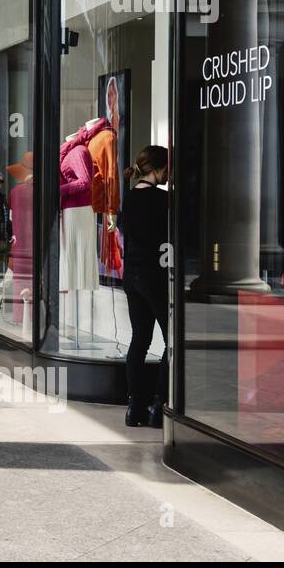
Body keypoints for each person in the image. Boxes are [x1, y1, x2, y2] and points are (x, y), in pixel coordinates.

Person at [120, 145, 170, 428]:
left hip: (132, 277)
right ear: (159, 169)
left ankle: (134, 407)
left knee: (140, 340)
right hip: (154, 277)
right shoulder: (162, 200)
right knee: (171, 340)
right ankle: (158, 407)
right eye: (167, 169)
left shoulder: (130, 197)